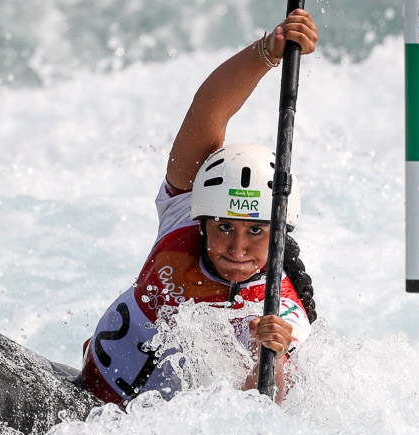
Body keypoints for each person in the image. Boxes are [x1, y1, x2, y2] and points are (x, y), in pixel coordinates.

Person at [79, 9, 319, 405]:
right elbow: (209, 110)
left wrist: (270, 360)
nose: (237, 248)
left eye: (256, 230)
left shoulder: (282, 315)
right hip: (80, 394)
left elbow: (250, 419)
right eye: (225, 227)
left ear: (279, 232)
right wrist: (266, 51)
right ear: (203, 219)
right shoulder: (182, 213)